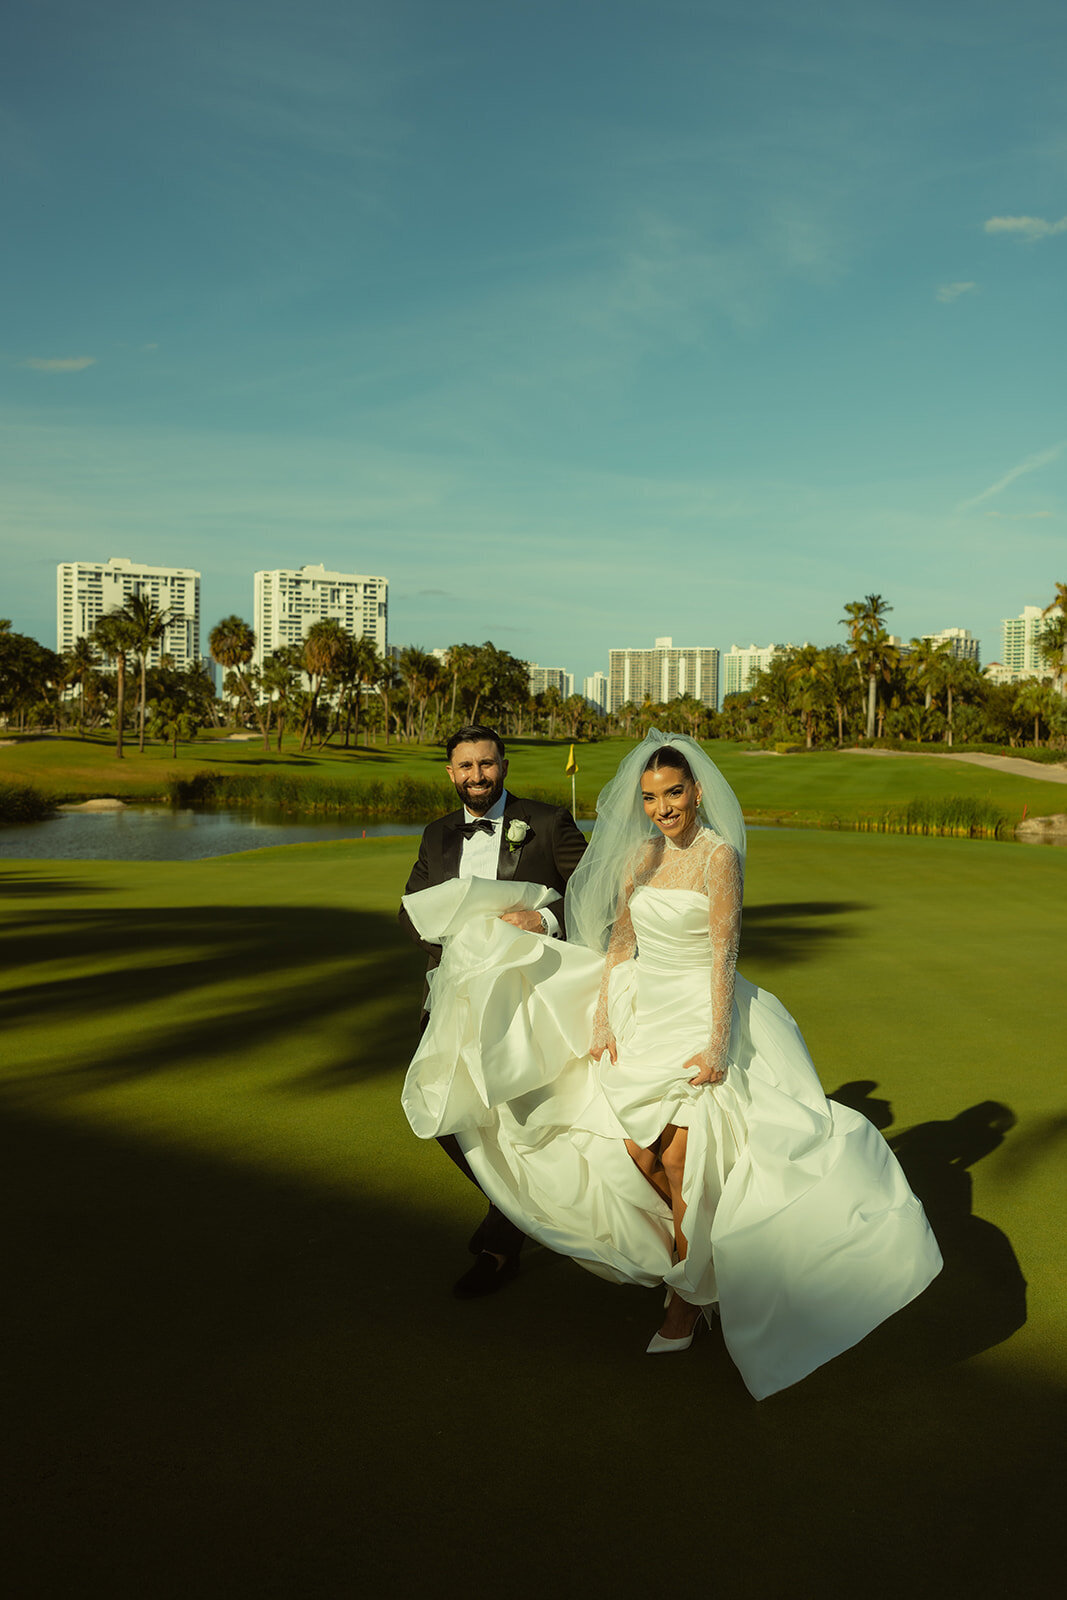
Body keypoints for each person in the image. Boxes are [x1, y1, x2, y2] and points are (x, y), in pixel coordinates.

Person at [401, 731, 942, 1397]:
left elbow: (723, 955)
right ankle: (692, 1264)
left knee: (685, 1153)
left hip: (698, 1009)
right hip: (638, 1009)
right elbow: (620, 940)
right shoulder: (639, 856)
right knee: (639, 1149)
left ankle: (687, 1296)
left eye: (673, 792)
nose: (661, 807)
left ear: (697, 791)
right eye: (650, 797)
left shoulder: (718, 858)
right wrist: (602, 1017)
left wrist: (716, 1042)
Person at [399, 724, 587, 1297]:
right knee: (441, 1107)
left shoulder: (549, 821)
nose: (476, 776)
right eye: (465, 767)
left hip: (528, 997)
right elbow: (410, 912)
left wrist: (545, 920)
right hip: (454, 993)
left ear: (503, 765)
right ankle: (509, 1206)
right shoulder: (436, 835)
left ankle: (504, 1243)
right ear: (450, 773)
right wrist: (452, 948)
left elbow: (599, 895)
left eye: (486, 764)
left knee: (518, 1112)